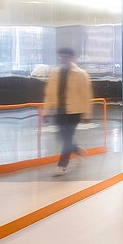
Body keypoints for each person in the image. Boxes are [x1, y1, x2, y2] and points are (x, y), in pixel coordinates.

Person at [44, 47, 92, 176]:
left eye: (66, 56)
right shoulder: (54, 73)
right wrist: (46, 111)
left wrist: (87, 114)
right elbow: (49, 93)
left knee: (67, 139)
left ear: (71, 58)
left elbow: (86, 95)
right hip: (59, 111)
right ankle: (78, 151)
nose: (63, 58)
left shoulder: (81, 74)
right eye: (61, 56)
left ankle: (61, 166)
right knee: (63, 138)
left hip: (74, 112)